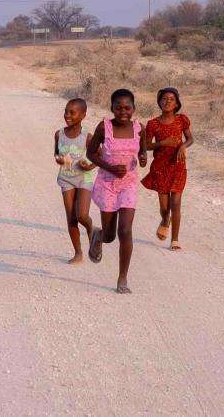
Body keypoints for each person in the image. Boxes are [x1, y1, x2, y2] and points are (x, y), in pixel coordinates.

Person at [86, 89, 143, 294]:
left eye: (127, 107)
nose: (123, 111)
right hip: (107, 184)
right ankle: (99, 236)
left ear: (133, 108)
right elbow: (90, 153)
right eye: (118, 107)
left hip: (128, 184)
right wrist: (110, 168)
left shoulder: (139, 128)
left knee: (125, 231)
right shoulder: (104, 127)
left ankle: (122, 278)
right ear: (111, 108)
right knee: (111, 235)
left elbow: (142, 150)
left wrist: (143, 157)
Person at [142, 88, 194, 251]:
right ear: (159, 102)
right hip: (160, 167)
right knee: (165, 208)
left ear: (177, 103)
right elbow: (146, 145)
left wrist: (183, 147)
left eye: (171, 99)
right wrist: (162, 143)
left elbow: (190, 138)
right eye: (164, 98)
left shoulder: (181, 120)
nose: (168, 101)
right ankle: (165, 220)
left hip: (178, 166)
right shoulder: (153, 124)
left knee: (176, 204)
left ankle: (175, 240)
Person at [53, 98, 99, 263]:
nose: (68, 115)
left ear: (83, 115)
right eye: (66, 111)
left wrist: (90, 166)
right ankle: (78, 253)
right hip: (66, 179)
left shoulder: (87, 137)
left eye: (73, 112)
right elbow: (56, 155)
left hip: (84, 179)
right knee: (71, 217)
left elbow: (99, 156)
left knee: (82, 215)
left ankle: (92, 230)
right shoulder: (59, 134)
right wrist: (60, 159)